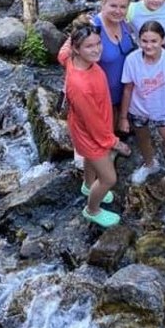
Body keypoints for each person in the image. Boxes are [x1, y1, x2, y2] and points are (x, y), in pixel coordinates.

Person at [58, 19, 131, 228]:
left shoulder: (70, 58)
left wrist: (79, 28)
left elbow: (62, 52)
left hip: (85, 127)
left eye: (98, 43)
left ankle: (89, 185)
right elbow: (93, 123)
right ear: (77, 49)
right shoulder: (80, 86)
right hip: (91, 135)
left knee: (90, 162)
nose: (97, 49)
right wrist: (114, 142)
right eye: (89, 46)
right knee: (108, 178)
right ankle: (92, 209)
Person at [118, 21, 165, 192]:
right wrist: (123, 117)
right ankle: (149, 164)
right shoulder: (132, 60)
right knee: (143, 140)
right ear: (139, 40)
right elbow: (127, 90)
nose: (149, 46)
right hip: (139, 111)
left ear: (162, 40)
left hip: (164, 112)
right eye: (144, 41)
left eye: (154, 41)